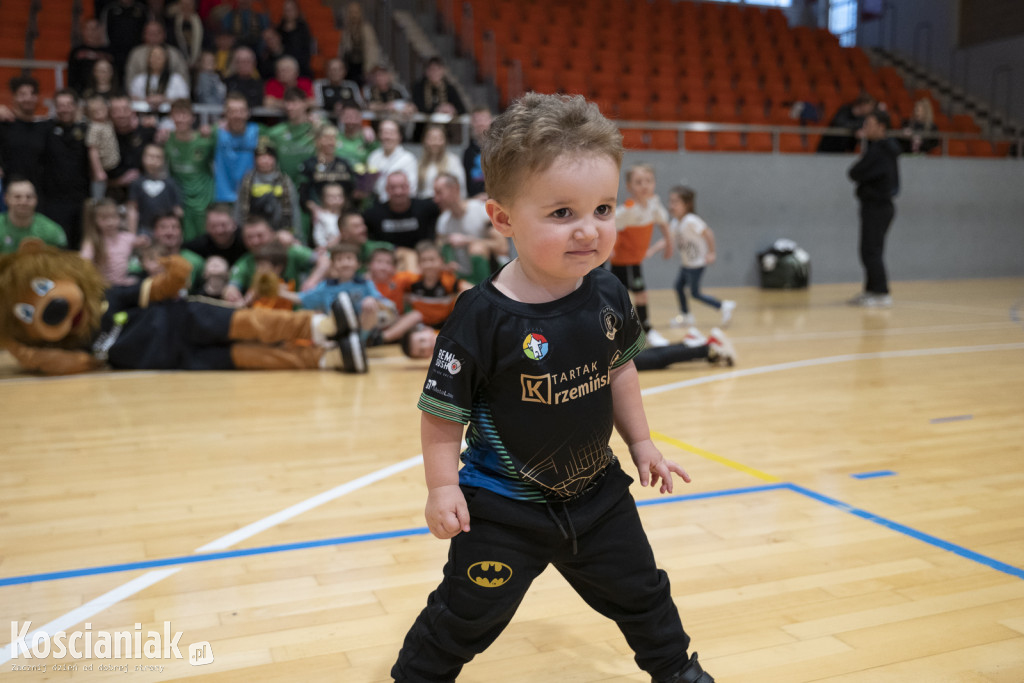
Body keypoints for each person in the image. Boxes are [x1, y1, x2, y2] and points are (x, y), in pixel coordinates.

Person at [391, 92, 715, 683]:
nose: (588, 231)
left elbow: (620, 370)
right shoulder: (479, 318)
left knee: (645, 594)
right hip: (502, 509)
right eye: (561, 213)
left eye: (604, 209)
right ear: (503, 219)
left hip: (598, 497)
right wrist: (442, 488)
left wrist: (641, 443)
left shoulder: (610, 292)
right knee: (465, 615)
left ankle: (677, 672)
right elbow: (443, 415)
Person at [613, 163, 672, 346]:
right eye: (638, 182)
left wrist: (669, 244)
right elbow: (610, 227)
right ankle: (627, 334)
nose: (644, 185)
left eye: (648, 180)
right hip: (623, 261)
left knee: (639, 295)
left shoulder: (654, 204)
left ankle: (645, 330)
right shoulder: (627, 210)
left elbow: (663, 222)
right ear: (629, 187)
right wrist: (609, 249)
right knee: (625, 298)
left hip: (635, 261)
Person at [661, 185, 736, 328]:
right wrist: (651, 250)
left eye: (676, 202)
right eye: (670, 201)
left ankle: (723, 306)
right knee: (678, 287)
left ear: (687, 204)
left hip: (696, 264)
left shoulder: (691, 220)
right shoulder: (676, 223)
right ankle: (686, 316)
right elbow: (667, 240)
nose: (671, 205)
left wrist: (712, 252)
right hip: (686, 264)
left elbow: (708, 233)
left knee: (695, 293)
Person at [847, 108, 900, 308]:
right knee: (868, 249)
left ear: (881, 127)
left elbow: (855, 172)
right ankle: (871, 290)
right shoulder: (876, 148)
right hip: (872, 206)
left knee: (872, 250)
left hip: (879, 206)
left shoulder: (882, 150)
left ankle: (881, 292)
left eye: (869, 124)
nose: (865, 128)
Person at [291, 242, 387, 331]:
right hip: (336, 331)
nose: (345, 263)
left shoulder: (365, 284)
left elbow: (382, 302)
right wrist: (280, 292)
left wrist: (373, 301)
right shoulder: (326, 286)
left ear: (358, 264)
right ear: (333, 265)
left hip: (363, 329)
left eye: (349, 258)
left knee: (370, 305)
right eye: (339, 259)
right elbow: (302, 298)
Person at [224, 214, 316, 305]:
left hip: (292, 315)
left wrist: (312, 281)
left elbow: (324, 261)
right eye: (249, 237)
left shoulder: (290, 250)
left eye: (260, 235)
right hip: (261, 316)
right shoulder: (245, 262)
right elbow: (233, 285)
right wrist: (231, 292)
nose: (255, 241)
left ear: (272, 233)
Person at [432, 172, 506, 285]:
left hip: (493, 272)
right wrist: (446, 264)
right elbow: (440, 250)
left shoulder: (481, 210)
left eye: (439, 193)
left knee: (477, 248)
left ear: (454, 189)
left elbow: (502, 247)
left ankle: (485, 291)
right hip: (462, 277)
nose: (435, 199)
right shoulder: (443, 221)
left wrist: (468, 240)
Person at [41, 90, 92, 249]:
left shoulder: (87, 130)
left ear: (76, 107)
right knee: (57, 246)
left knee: (79, 245)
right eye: (60, 105)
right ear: (55, 108)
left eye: (69, 105)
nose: (64, 109)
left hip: (81, 200)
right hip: (53, 201)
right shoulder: (46, 128)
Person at [164, 99, 216, 241]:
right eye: (176, 114)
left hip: (204, 199)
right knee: (185, 242)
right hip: (181, 201)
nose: (180, 119)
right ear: (171, 117)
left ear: (193, 118)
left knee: (206, 240)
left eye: (184, 114)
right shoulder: (166, 140)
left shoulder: (205, 140)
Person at [234, 137, 301, 238]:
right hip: (254, 233)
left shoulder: (285, 181)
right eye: (261, 156)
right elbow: (239, 208)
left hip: (280, 232)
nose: (265, 160)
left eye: (269, 156)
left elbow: (294, 210)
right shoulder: (248, 181)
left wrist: (296, 234)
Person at [362, 171, 439, 253]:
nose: (398, 192)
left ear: (409, 187)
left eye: (402, 187)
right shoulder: (372, 214)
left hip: (421, 257)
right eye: (393, 187)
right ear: (386, 189)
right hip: (387, 260)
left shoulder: (427, 208)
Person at [0, 76, 50, 196]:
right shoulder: (3, 125)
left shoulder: (45, 127)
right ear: (14, 98)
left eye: (32, 94)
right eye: (22, 94)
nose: (28, 98)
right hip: (7, 193)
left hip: (36, 193)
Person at [80, 198, 147, 286]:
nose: (110, 222)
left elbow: (144, 242)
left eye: (114, 217)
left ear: (119, 217)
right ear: (95, 220)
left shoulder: (126, 237)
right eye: (104, 219)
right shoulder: (92, 242)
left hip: (124, 283)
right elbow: (84, 262)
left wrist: (145, 241)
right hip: (103, 286)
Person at [298, 126, 357, 222]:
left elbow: (351, 192)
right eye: (327, 138)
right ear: (317, 141)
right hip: (318, 216)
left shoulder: (344, 164)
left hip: (343, 216)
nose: (331, 142)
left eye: (333, 138)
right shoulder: (309, 165)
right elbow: (303, 194)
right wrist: (315, 209)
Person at [107, 94, 158, 203]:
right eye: (116, 111)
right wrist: (118, 181)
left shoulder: (147, 132)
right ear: (110, 114)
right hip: (112, 194)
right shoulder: (105, 136)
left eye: (125, 110)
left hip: (145, 194)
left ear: (133, 112)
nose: (121, 115)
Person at [213, 91, 261, 204]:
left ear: (247, 113)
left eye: (241, 111)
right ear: (225, 113)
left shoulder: (257, 131)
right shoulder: (215, 133)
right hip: (222, 199)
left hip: (250, 197)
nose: (237, 115)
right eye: (233, 111)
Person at [127, 144, 184, 236]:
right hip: (144, 229)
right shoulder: (136, 183)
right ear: (143, 158)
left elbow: (177, 209)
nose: (153, 160)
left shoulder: (170, 183)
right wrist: (132, 234)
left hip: (166, 230)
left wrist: (175, 230)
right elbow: (132, 209)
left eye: (158, 157)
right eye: (150, 156)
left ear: (164, 160)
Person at [0, 179, 68, 253]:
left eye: (29, 197)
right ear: (6, 199)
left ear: (36, 199)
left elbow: (60, 259)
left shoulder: (51, 230)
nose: (23, 202)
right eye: (17, 197)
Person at [124, 21, 191, 93]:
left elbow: (184, 80)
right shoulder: (136, 54)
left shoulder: (174, 53)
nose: (153, 37)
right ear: (144, 35)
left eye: (157, 33)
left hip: (171, 97)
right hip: (141, 98)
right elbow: (130, 80)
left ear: (164, 34)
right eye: (150, 33)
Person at [365, 119, 418, 202]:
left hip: (400, 204)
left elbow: (412, 189)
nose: (387, 137)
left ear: (399, 136)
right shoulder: (373, 156)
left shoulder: (408, 159)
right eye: (384, 133)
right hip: (376, 203)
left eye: (391, 133)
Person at [183, 203, 248, 266]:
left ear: (234, 224)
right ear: (206, 228)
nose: (219, 231)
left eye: (223, 225)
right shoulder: (200, 244)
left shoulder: (246, 239)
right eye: (213, 226)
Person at [128, 44, 191, 109]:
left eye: (159, 57)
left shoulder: (177, 79)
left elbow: (185, 100)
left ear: (166, 59)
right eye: (153, 56)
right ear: (148, 59)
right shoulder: (139, 79)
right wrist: (148, 100)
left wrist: (165, 100)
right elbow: (132, 99)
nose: (156, 60)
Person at [415, 123, 465, 200]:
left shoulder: (453, 161)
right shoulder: (420, 163)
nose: (435, 142)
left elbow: (461, 189)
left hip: (446, 204)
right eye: (431, 138)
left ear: (445, 141)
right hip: (424, 205)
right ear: (424, 140)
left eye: (439, 139)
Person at [85, 95, 121, 201]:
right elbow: (93, 150)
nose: (99, 113)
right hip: (102, 166)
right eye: (94, 111)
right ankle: (97, 203)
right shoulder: (94, 128)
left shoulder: (107, 123)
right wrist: (98, 171)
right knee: (99, 187)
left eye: (101, 109)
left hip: (112, 165)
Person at [67, 18, 115, 96]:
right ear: (83, 31)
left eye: (94, 29)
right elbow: (71, 77)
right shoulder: (76, 52)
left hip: (108, 94)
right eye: (87, 29)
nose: (91, 32)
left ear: (101, 30)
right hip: (82, 94)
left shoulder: (110, 52)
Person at [338, 1, 380, 87]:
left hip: (363, 65)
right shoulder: (346, 31)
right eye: (351, 12)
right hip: (349, 65)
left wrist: (369, 68)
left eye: (356, 12)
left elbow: (371, 49)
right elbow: (342, 49)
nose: (353, 15)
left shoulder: (367, 29)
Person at [276, 0, 312, 78]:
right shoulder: (279, 29)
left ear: (297, 11)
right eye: (286, 10)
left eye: (291, 10)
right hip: (283, 64)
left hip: (301, 66)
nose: (288, 12)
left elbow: (306, 50)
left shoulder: (303, 29)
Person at [462, 105, 491, 198]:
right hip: (474, 200)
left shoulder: (501, 149)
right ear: (471, 124)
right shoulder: (468, 152)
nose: (480, 124)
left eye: (483, 119)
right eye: (476, 120)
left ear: (491, 121)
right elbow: (467, 182)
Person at [165, 0, 204, 68]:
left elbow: (205, 42)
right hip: (177, 60)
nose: (186, 7)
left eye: (189, 4)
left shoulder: (201, 22)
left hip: (197, 60)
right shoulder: (172, 22)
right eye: (183, 4)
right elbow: (169, 42)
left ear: (194, 6)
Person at [309, 182, 346, 248]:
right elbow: (318, 239)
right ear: (323, 198)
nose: (336, 199)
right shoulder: (320, 216)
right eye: (331, 197)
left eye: (339, 196)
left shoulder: (346, 215)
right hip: (327, 250)